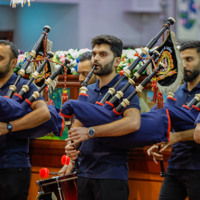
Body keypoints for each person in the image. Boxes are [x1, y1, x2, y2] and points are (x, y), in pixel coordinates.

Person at [62, 35, 141, 200]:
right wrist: (71, 147)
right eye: (94, 54)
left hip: (110, 174)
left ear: (117, 61)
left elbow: (133, 123)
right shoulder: (88, 90)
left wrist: (91, 132)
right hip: (84, 171)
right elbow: (77, 128)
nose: (96, 58)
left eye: (103, 54)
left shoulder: (125, 88)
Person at [147, 40, 200, 200]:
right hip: (175, 165)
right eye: (181, 60)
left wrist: (177, 137)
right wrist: (158, 141)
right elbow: (156, 119)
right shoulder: (173, 92)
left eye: (189, 59)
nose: (183, 65)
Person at [0, 40, 50, 200]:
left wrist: (9, 127)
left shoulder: (24, 85)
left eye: (0, 58)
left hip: (12, 165)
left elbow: (44, 113)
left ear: (13, 62)